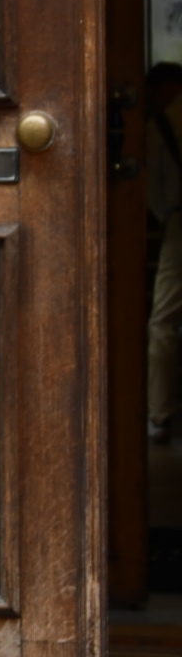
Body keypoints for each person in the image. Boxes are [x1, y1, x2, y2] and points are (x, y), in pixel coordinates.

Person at [146, 62, 182, 444]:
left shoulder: (162, 124)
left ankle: (160, 413)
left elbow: (152, 191)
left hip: (179, 223)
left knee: (164, 322)